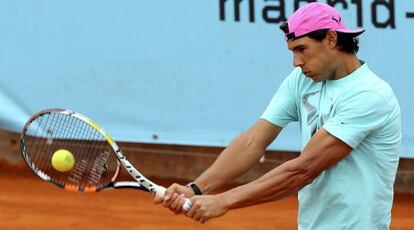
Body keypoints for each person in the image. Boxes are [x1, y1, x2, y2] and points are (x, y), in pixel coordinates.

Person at [154, 2, 401, 229]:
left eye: (302, 49)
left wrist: (224, 201)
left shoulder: (370, 94)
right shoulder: (301, 80)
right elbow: (253, 142)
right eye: (292, 51)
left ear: (331, 39)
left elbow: (304, 170)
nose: (296, 62)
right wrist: (197, 188)